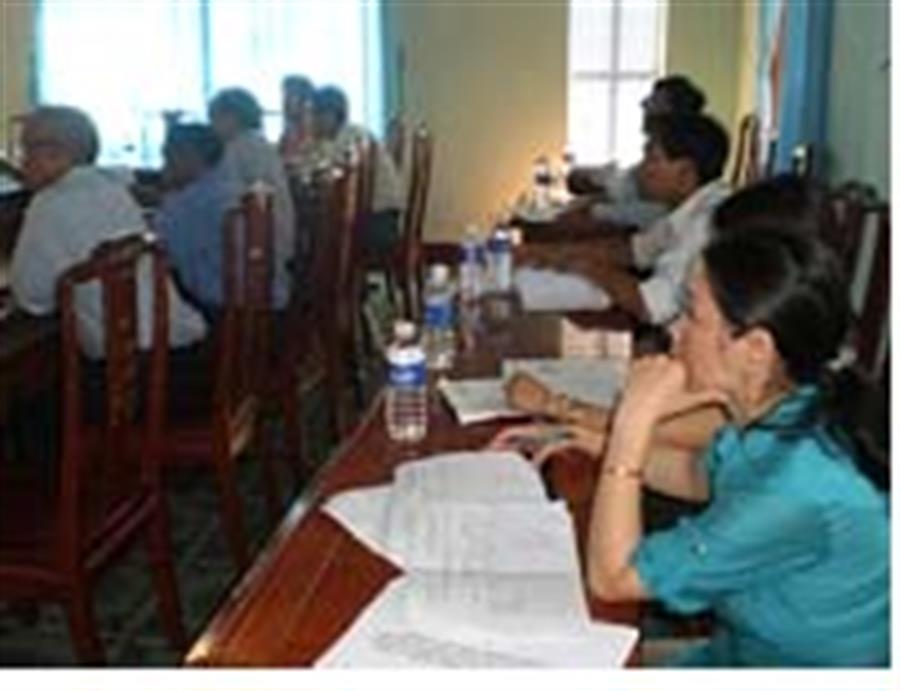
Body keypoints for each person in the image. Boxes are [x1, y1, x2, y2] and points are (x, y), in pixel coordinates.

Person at [582, 228, 889, 666]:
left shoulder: (796, 484)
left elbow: (613, 580)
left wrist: (632, 425)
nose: (674, 331)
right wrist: (596, 443)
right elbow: (697, 473)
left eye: (692, 314)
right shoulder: (791, 406)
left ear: (756, 349)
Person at [10, 105, 207, 359]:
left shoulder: (50, 202)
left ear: (56, 152)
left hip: (124, 363)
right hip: (175, 342)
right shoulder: (113, 188)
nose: (22, 162)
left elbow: (32, 299)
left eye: (27, 150)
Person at [525, 113, 731, 326]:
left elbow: (653, 306)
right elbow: (635, 250)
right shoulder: (685, 210)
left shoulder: (706, 222)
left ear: (685, 173)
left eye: (652, 159)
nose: (642, 169)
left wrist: (586, 266)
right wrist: (548, 253)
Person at [564, 75, 707, 230]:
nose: (643, 104)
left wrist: (597, 209)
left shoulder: (683, 153)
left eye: (654, 101)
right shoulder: (657, 158)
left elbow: (659, 213)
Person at [208, 87, 295, 308]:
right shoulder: (259, 145)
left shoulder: (238, 149)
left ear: (233, 117)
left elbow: (221, 203)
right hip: (272, 254)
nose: (212, 127)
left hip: (257, 260)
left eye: (215, 119)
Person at [293, 85, 404, 257]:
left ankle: (322, 272)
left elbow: (327, 177)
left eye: (313, 114)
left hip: (377, 221)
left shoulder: (355, 138)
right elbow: (309, 166)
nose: (309, 121)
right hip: (362, 216)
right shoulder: (329, 141)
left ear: (329, 116)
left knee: (314, 232)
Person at [153, 123, 241, 318]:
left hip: (212, 304)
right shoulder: (228, 187)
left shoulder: (186, 202)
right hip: (244, 296)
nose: (163, 166)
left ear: (188, 156)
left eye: (168, 157)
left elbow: (164, 253)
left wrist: (168, 193)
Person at [278, 74, 315, 159]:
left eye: (292, 95)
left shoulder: (311, 131)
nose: (286, 101)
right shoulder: (289, 130)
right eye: (286, 96)